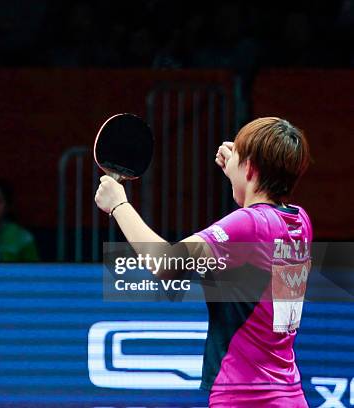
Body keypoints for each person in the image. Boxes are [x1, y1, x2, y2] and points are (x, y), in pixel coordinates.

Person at [95, 117, 311, 407]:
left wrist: (119, 205)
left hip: (245, 398)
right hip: (290, 395)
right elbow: (257, 218)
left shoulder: (248, 225)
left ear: (250, 168)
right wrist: (243, 171)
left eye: (241, 158)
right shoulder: (299, 221)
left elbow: (165, 263)